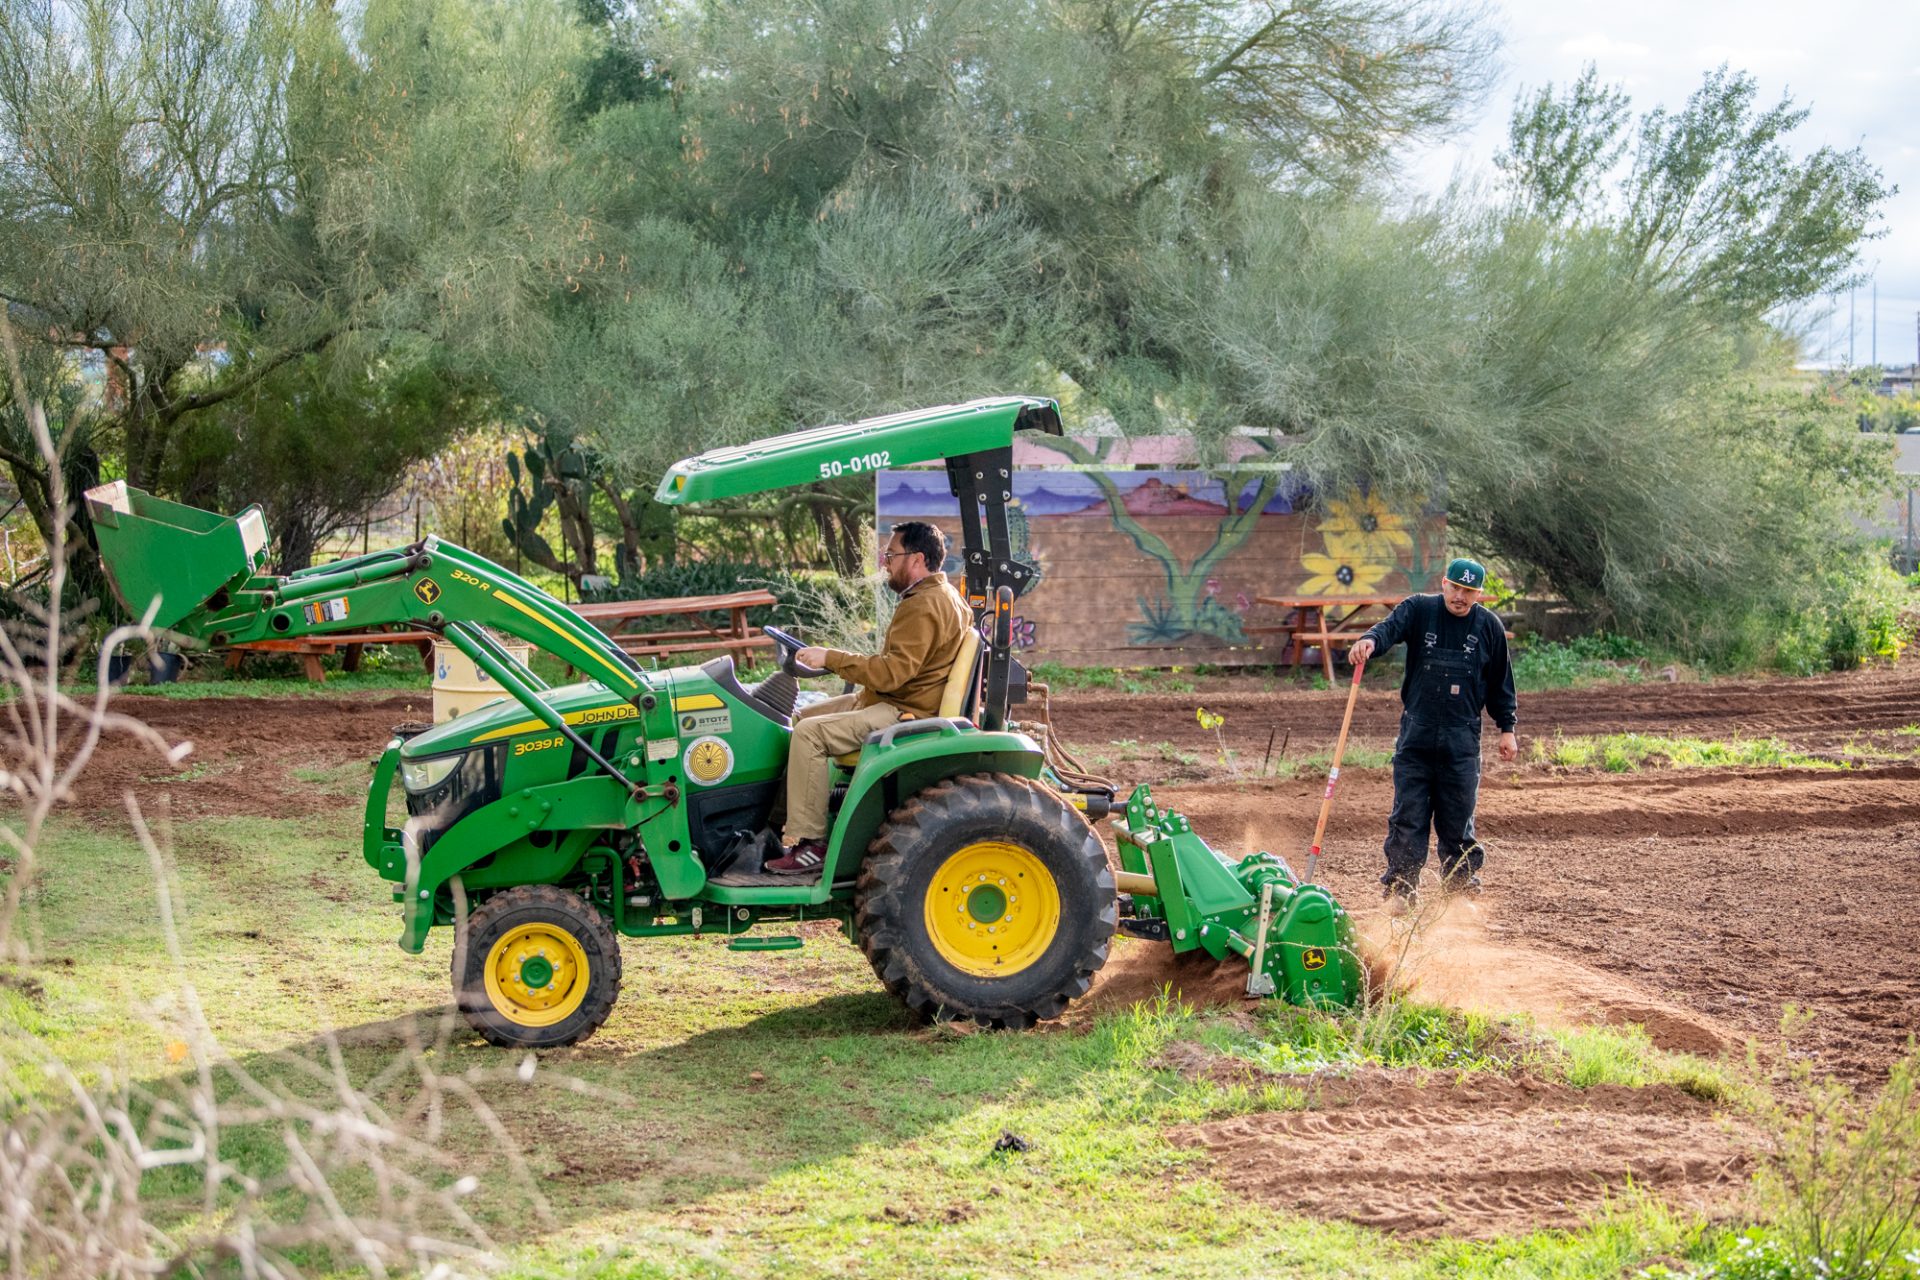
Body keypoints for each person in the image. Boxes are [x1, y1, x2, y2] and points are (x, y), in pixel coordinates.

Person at [764, 520, 972, 876]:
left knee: (809, 734)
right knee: (801, 717)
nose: (885, 563)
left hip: (903, 711)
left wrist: (831, 658)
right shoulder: (946, 596)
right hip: (899, 698)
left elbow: (893, 673)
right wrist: (834, 660)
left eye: (891, 555)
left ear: (917, 559)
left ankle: (810, 842)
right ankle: (777, 825)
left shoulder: (922, 605)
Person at [1346, 557, 1517, 910]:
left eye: (1468, 591)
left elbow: (1501, 682)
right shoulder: (1419, 610)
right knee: (1408, 816)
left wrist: (1507, 728)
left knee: (1458, 820)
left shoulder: (1489, 627)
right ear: (1443, 584)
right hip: (1417, 735)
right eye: (1455, 587)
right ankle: (1401, 891)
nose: (1460, 596)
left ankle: (1457, 894)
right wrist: (1368, 641)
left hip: (1462, 738)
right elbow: (1387, 630)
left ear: (1478, 594)